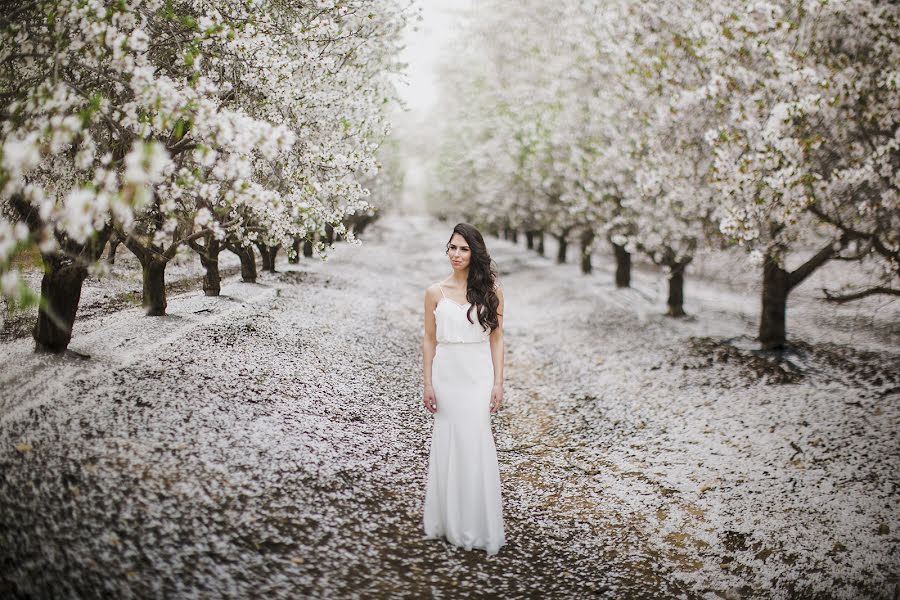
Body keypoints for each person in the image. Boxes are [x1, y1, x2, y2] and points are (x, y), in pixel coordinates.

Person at [421, 222, 506, 556]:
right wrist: (427, 382)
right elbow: (429, 340)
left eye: (464, 249)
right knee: (448, 441)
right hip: (447, 373)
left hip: (477, 373)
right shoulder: (434, 292)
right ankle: (447, 520)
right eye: (452, 247)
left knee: (474, 441)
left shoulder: (492, 292)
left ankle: (476, 522)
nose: (456, 255)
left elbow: (498, 339)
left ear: (475, 253)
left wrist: (498, 382)